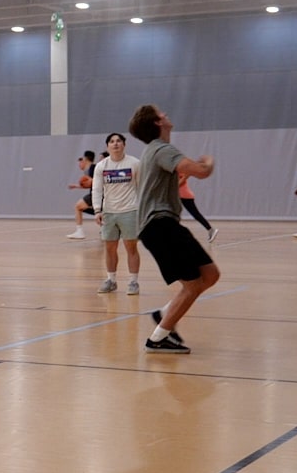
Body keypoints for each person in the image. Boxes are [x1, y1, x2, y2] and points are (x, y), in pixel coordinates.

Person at [130, 104, 219, 353]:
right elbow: (202, 172)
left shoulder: (154, 151)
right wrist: (208, 161)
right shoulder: (162, 149)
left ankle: (163, 314)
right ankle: (158, 338)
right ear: (157, 123)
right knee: (192, 284)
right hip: (159, 225)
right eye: (162, 114)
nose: (166, 114)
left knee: (210, 274)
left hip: (163, 224)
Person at [92, 132, 143, 295]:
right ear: (108, 146)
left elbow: (142, 188)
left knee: (131, 247)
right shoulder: (101, 166)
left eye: (119, 141)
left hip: (130, 211)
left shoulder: (135, 163)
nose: (115, 144)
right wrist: (97, 210)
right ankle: (111, 280)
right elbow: (97, 189)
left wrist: (142, 210)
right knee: (110, 248)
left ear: (124, 145)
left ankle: (133, 282)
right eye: (112, 141)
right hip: (109, 212)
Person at [178, 171, 216, 243]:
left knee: (195, 214)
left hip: (184, 196)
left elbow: (186, 175)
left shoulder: (179, 169)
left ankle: (211, 229)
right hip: (179, 195)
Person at [67, 150, 96, 238]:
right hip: (96, 194)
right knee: (88, 209)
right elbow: (89, 185)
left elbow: (97, 182)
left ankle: (80, 232)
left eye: (80, 162)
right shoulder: (88, 171)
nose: (79, 165)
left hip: (97, 194)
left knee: (78, 207)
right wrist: (76, 186)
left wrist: (91, 181)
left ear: (84, 159)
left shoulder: (93, 168)